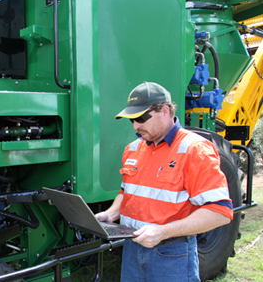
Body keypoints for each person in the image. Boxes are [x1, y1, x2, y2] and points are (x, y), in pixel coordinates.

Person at [95, 82, 233, 282]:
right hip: (132, 249)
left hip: (171, 253)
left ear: (165, 110)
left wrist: (163, 231)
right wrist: (111, 213)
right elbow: (126, 191)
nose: (135, 126)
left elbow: (220, 212)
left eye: (140, 118)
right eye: (131, 120)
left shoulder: (195, 149)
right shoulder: (133, 149)